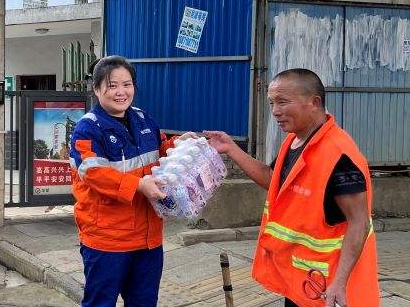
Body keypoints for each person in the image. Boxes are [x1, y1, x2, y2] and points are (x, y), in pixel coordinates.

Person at [205, 68, 378, 307]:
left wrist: (339, 283)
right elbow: (274, 180)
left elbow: (359, 222)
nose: (275, 111)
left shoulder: (338, 155)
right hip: (302, 281)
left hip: (329, 287)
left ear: (314, 102)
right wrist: (231, 149)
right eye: (271, 103)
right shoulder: (295, 140)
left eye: (283, 102)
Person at [70, 55, 184, 307]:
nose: (121, 92)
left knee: (144, 302)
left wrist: (180, 144)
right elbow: (93, 172)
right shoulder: (87, 129)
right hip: (107, 239)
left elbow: (160, 150)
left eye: (127, 84)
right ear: (96, 88)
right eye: (112, 85)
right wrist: (138, 186)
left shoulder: (143, 119)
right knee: (101, 303)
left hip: (148, 237)